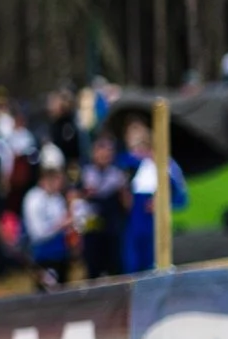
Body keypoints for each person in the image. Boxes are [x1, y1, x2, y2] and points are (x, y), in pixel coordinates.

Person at [123, 122, 188, 274]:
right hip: (135, 225)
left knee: (155, 265)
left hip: (157, 225)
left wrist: (163, 203)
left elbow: (181, 198)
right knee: (133, 265)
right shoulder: (133, 164)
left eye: (142, 144)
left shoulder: (168, 166)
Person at [21, 152, 76, 289]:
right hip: (42, 255)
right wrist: (59, 226)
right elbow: (37, 233)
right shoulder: (33, 199)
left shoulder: (57, 199)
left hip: (60, 254)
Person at [80, 133, 128, 279]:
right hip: (92, 224)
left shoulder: (117, 175)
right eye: (101, 150)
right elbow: (74, 196)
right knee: (93, 264)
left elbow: (126, 203)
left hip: (112, 224)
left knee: (114, 264)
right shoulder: (85, 172)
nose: (105, 155)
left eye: (108, 151)